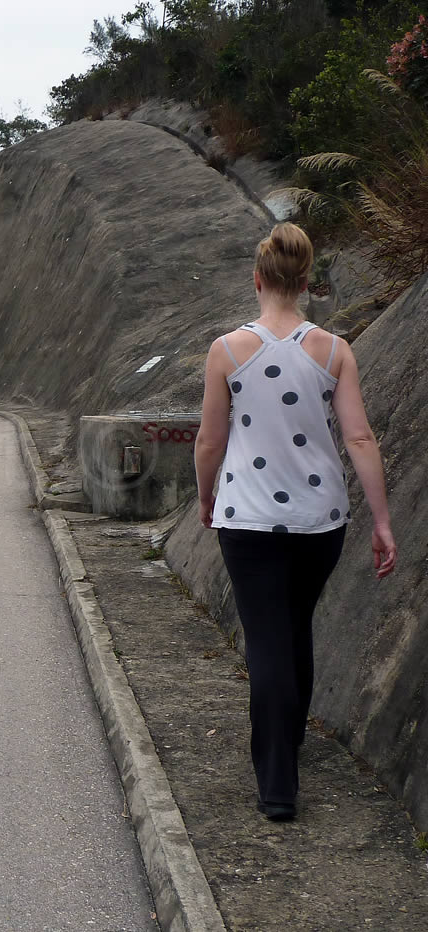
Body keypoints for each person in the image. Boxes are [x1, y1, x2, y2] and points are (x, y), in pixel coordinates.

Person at [192, 222, 397, 822]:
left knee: (267, 640)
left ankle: (278, 784)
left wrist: (206, 496)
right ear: (306, 283)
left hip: (248, 518)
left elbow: (210, 440)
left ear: (257, 280)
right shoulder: (334, 351)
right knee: (294, 626)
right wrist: (382, 521)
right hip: (319, 520)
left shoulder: (227, 351)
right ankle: (291, 740)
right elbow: (359, 438)